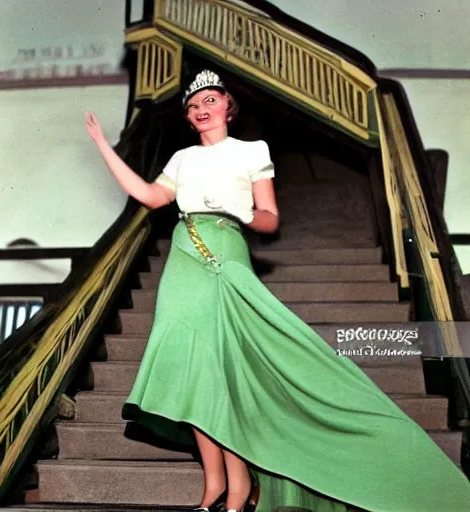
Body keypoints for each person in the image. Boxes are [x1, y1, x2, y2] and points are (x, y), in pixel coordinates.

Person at [85, 69, 470, 512]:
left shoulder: (252, 151)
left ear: (227, 107)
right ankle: (213, 486)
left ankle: (239, 485)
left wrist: (239, 211)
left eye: (210, 101)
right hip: (184, 258)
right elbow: (151, 197)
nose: (201, 109)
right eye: (194, 107)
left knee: (228, 373)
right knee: (189, 372)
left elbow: (270, 218)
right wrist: (101, 146)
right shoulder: (182, 159)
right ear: (190, 119)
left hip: (226, 252)